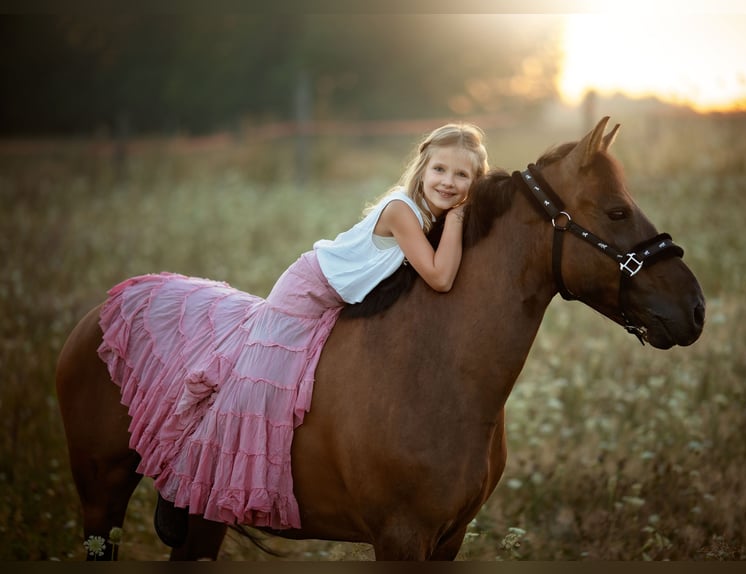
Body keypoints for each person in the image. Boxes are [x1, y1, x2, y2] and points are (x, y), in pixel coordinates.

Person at [96, 123, 490, 541]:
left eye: (462, 175)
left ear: (474, 180)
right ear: (422, 168)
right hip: (306, 293)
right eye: (440, 170)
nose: (448, 182)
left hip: (339, 304)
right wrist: (462, 214)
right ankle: (188, 478)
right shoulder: (403, 210)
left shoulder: (432, 212)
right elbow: (440, 277)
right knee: (263, 387)